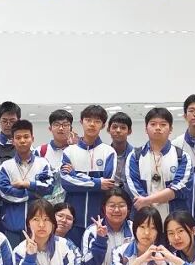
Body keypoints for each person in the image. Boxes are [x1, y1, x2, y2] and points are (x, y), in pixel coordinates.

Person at [61, 105, 118, 244]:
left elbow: (108, 184)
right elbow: (66, 183)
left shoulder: (109, 152)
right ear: (81, 122)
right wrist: (97, 183)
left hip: (99, 220)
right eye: (88, 120)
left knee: (97, 255)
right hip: (72, 220)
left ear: (103, 125)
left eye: (97, 121)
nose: (92, 124)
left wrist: (74, 175)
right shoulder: (69, 151)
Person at [0, 120, 53, 249]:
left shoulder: (42, 163)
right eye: (18, 138)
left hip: (39, 225)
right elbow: (4, 192)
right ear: (12, 141)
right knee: (13, 258)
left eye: (26, 137)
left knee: (38, 257)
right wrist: (34, 193)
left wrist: (28, 184)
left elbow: (49, 187)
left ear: (32, 139)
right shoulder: (6, 166)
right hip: (12, 224)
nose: (22, 141)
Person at [126, 107, 191, 219]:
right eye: (153, 124)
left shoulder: (181, 156)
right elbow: (134, 187)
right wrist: (148, 206)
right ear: (146, 129)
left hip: (174, 219)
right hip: (145, 219)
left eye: (163, 124)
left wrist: (147, 200)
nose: (158, 128)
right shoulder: (135, 156)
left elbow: (179, 188)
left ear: (170, 129)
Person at [37, 109, 76, 205]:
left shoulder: (77, 152)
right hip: (46, 205)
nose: (61, 128)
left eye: (65, 125)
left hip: (71, 205)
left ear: (71, 128)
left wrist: (73, 174)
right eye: (56, 124)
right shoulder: (40, 151)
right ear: (50, 128)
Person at [107, 111, 133, 193]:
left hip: (131, 197)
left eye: (123, 128)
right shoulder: (104, 154)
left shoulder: (136, 155)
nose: (118, 130)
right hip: (108, 197)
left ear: (129, 131)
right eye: (114, 127)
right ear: (108, 130)